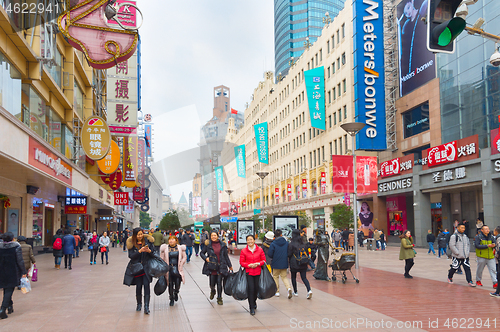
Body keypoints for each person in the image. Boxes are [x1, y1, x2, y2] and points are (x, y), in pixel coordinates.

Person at [124, 228, 155, 314]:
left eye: (141, 234)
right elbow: (131, 256)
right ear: (135, 235)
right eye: (138, 235)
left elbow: (153, 253)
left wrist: (149, 251)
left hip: (146, 267)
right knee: (138, 286)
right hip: (137, 268)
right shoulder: (132, 244)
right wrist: (139, 251)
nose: (140, 236)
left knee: (146, 285)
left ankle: (146, 306)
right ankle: (139, 304)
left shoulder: (148, 242)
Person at [200, 231, 233, 305]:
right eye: (212, 235)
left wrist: (230, 266)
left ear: (218, 236)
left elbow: (226, 256)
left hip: (221, 266)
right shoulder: (208, 245)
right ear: (210, 237)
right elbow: (201, 253)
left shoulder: (222, 245)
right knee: (212, 283)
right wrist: (206, 258)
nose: (213, 237)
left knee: (219, 283)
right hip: (212, 266)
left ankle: (219, 298)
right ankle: (212, 290)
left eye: (215, 235)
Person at [0, 232, 26, 319]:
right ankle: (2, 309)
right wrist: (23, 271)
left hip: (1, 271)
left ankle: (10, 306)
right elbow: (20, 260)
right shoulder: (16, 247)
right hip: (12, 271)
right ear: (12, 238)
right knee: (9, 289)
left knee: (6, 288)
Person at [239, 234, 266, 315]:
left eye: (251, 239)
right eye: (248, 240)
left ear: (254, 240)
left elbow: (263, 260)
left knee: (256, 289)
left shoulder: (260, 250)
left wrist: (258, 264)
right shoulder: (244, 251)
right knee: (251, 289)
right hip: (249, 272)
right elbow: (241, 262)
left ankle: (254, 302)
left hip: (258, 272)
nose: (250, 241)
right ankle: (251, 307)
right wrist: (248, 265)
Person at [160, 236, 186, 306]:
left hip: (177, 268)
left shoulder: (180, 248)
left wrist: (181, 263)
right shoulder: (165, 248)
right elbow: (161, 258)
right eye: (170, 240)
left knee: (177, 283)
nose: (171, 241)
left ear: (176, 240)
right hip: (169, 269)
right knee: (170, 284)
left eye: (172, 239)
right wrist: (164, 265)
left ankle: (176, 292)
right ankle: (171, 298)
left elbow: (184, 257)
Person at [448, 223, 475, 287]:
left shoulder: (465, 237)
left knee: (467, 268)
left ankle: (469, 280)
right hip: (457, 256)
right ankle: (450, 277)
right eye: (461, 228)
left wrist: (467, 252)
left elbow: (468, 245)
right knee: (455, 267)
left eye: (464, 228)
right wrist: (457, 253)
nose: (463, 229)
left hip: (465, 256)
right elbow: (452, 246)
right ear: (458, 228)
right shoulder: (454, 236)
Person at [288, 229, 313, 299]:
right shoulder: (303, 243)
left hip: (294, 263)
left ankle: (295, 292)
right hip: (303, 262)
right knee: (304, 277)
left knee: (293, 277)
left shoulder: (291, 244)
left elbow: (289, 254)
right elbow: (307, 253)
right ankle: (309, 290)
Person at [268, 229, 292, 298]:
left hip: (275, 262)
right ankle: (289, 288)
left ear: (275, 235)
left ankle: (277, 291)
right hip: (284, 262)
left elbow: (270, 254)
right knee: (284, 277)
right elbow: (289, 252)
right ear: (281, 234)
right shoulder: (286, 243)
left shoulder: (273, 243)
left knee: (275, 277)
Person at [489, 226, 500, 297]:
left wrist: (497, 256)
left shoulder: (499, 238)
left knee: (499, 275)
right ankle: (497, 291)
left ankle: (497, 292)